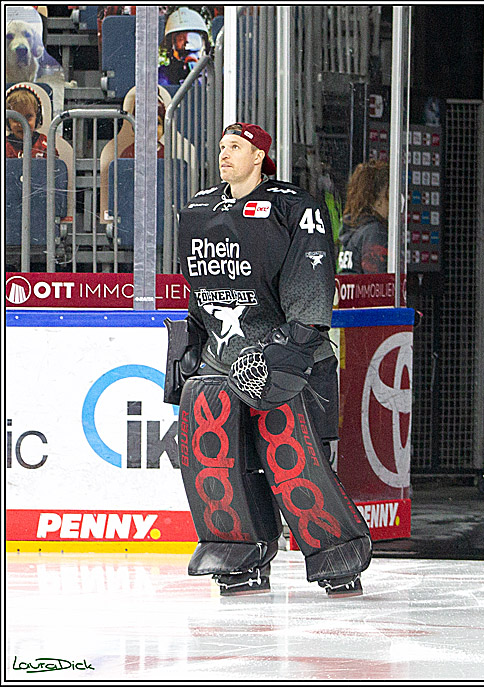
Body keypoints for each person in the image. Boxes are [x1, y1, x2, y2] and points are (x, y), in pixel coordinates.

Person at [172, 122, 372, 596]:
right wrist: (193, 354)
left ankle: (336, 558)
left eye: (236, 147)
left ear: (260, 155)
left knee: (296, 467)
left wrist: (284, 354)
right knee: (217, 466)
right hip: (221, 365)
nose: (224, 154)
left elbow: (311, 292)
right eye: (221, 146)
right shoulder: (199, 209)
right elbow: (197, 291)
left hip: (287, 364)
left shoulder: (294, 207)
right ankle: (237, 555)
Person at [337, 160, 389, 274]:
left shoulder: (353, 230)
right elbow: (379, 285)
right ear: (378, 199)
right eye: (389, 194)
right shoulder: (374, 232)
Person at [158, 7, 210, 87]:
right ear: (171, 47)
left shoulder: (213, 75)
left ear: (204, 45)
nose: (188, 47)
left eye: (194, 39)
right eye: (180, 39)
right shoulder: (163, 75)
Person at [5, 87, 47, 158]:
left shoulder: (44, 144)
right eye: (15, 117)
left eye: (28, 116)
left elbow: (55, 166)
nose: (22, 123)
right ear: (7, 121)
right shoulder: (4, 146)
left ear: (37, 118)